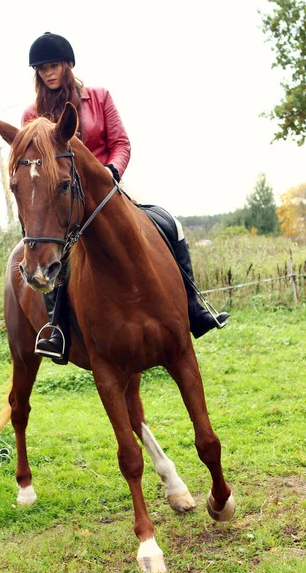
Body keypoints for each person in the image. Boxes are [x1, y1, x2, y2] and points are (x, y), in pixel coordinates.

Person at [22, 32, 229, 362]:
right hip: (65, 205)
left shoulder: (98, 97)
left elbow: (121, 142)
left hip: (107, 191)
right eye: (42, 68)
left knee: (169, 223)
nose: (48, 73)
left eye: (54, 65)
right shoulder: (32, 116)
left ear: (68, 65)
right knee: (52, 257)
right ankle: (57, 331)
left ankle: (194, 308)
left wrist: (112, 172)